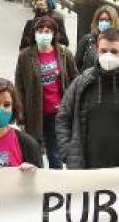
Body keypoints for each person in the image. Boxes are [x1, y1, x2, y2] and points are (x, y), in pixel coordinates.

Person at [56, 27, 119, 170]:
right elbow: (63, 118)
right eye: (103, 51)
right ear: (97, 50)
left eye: (114, 51)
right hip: (85, 170)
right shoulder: (82, 83)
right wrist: (69, 153)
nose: (108, 55)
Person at [14, 16, 78, 168]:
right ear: (35, 33)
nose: (44, 34)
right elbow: (19, 87)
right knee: (34, 153)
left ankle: (55, 186)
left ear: (54, 34)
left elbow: (75, 79)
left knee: (55, 153)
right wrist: (20, 117)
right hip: (34, 113)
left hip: (57, 112)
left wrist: (71, 106)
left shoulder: (63, 53)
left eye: (47, 31)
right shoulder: (25, 56)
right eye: (40, 31)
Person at [73, 4, 119, 73]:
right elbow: (76, 66)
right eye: (101, 20)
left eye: (108, 20)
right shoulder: (87, 40)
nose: (104, 22)